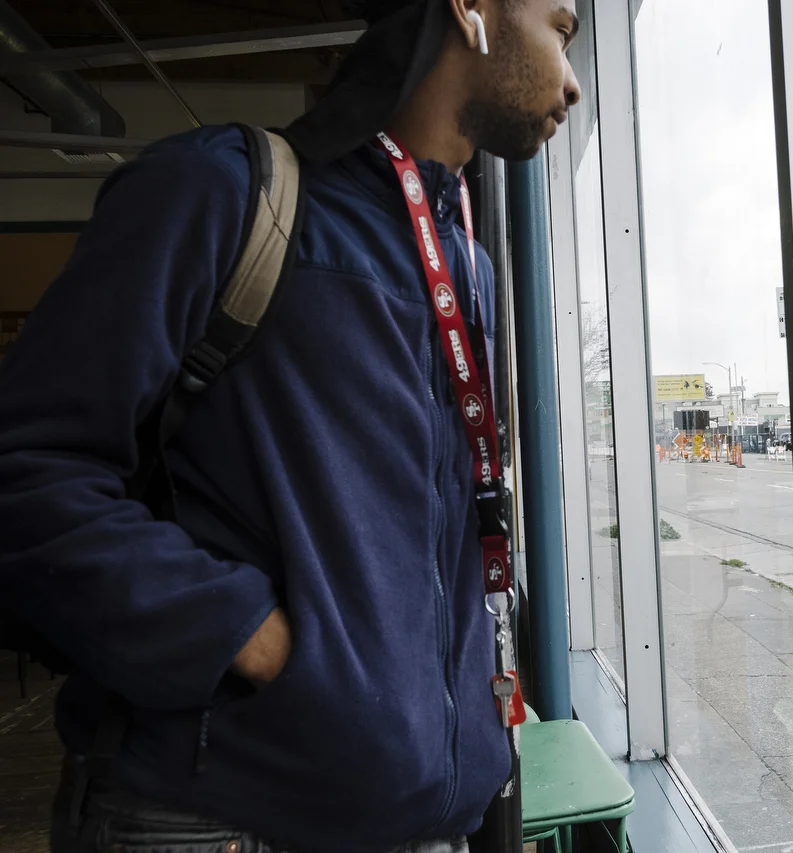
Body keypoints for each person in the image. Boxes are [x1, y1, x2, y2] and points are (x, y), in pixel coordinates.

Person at [0, 1, 580, 852]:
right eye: (561, 28)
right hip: (217, 821)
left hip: (424, 820)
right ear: (471, 11)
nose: (571, 81)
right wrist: (252, 637)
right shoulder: (223, 192)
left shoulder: (471, 269)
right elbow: (24, 467)